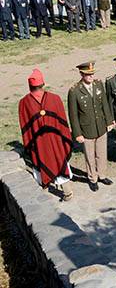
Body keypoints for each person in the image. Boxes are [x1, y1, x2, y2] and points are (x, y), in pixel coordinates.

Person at [19, 69, 73, 201]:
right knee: (59, 161)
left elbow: (25, 127)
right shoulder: (54, 98)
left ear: (30, 85)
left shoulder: (24, 102)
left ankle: (46, 190)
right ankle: (67, 193)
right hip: (56, 142)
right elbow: (63, 125)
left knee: (41, 161)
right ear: (43, 83)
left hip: (38, 143)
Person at [68, 62, 114, 192]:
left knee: (101, 153)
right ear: (81, 74)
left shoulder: (98, 84)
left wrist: (109, 121)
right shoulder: (74, 91)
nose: (91, 77)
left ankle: (102, 175)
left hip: (100, 127)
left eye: (92, 74)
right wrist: (77, 133)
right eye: (88, 75)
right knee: (89, 156)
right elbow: (73, 115)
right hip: (86, 130)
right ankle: (92, 178)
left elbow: (104, 104)